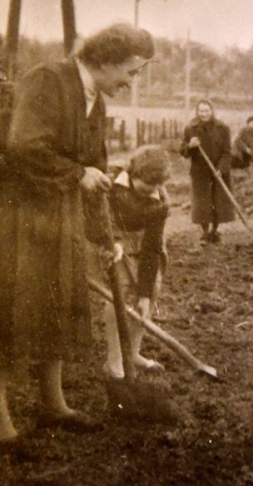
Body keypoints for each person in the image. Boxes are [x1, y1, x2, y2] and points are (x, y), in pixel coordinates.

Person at [0, 22, 155, 449]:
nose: (131, 83)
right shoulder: (48, 79)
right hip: (4, 201)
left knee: (56, 295)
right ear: (106, 60)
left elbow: (95, 174)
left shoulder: (94, 101)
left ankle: (53, 403)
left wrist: (107, 237)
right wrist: (78, 174)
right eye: (131, 72)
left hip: (49, 200)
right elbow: (25, 146)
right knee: (4, 302)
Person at [102, 146, 171, 379]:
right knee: (119, 293)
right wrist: (114, 241)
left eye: (154, 187)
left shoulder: (160, 202)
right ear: (134, 173)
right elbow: (101, 217)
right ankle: (114, 360)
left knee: (150, 291)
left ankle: (133, 352)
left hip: (143, 245)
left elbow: (152, 248)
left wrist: (144, 294)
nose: (149, 192)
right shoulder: (112, 183)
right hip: (114, 241)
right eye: (145, 186)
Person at [180, 99, 234, 243]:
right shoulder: (190, 128)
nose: (204, 114)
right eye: (201, 111)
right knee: (202, 202)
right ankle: (205, 232)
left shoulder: (223, 128)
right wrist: (190, 145)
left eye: (206, 111)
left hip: (218, 170)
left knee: (218, 200)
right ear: (197, 112)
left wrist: (221, 169)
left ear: (212, 111)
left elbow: (227, 152)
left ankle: (214, 231)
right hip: (200, 171)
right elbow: (183, 151)